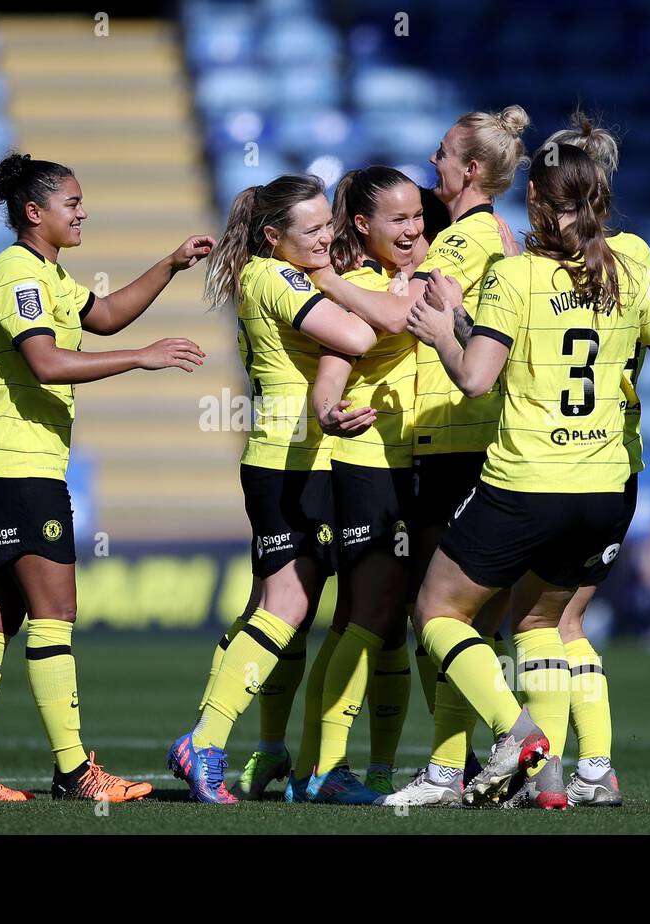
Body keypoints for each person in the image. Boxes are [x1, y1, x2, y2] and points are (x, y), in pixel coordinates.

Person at [406, 143, 650, 808]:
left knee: (438, 610)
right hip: (607, 486)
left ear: (536, 202)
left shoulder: (517, 276)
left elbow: (476, 379)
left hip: (529, 481)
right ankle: (581, 775)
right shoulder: (630, 261)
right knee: (549, 626)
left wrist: (441, 331)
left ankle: (519, 738)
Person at [0, 152, 212, 803]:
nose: (83, 211)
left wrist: (170, 265)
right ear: (35, 212)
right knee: (55, 612)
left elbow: (105, 314)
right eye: (72, 203)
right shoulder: (16, 275)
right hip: (17, 465)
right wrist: (142, 359)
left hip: (11, 462)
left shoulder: (48, 275)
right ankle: (74, 771)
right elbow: (48, 364)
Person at [310, 107, 531, 808]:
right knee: (429, 616)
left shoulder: (465, 240)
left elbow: (401, 307)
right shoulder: (481, 234)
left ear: (470, 169)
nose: (432, 163)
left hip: (451, 440)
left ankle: (477, 754)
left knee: (435, 615)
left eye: (441, 155)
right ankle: (460, 762)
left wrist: (319, 271)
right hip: (428, 442)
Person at [167, 174, 380, 803]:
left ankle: (256, 749)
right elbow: (360, 337)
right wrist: (352, 285)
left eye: (328, 226)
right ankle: (206, 741)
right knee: (285, 610)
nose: (326, 238)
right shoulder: (275, 277)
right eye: (311, 229)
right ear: (272, 235)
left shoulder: (274, 273)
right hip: (290, 461)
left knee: (276, 612)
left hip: (295, 456)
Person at [540, 111, 650, 807]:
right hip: (614, 466)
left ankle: (537, 769)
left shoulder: (528, 265)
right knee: (565, 622)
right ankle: (592, 768)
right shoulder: (634, 257)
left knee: (522, 624)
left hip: (538, 462)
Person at [290, 166, 425, 804]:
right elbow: (335, 366)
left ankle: (335, 768)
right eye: (398, 220)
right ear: (364, 226)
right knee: (367, 618)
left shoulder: (402, 274)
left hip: (409, 463)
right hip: (373, 463)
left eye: (418, 215)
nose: (413, 228)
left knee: (374, 623)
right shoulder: (355, 286)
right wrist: (328, 410)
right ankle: (326, 771)